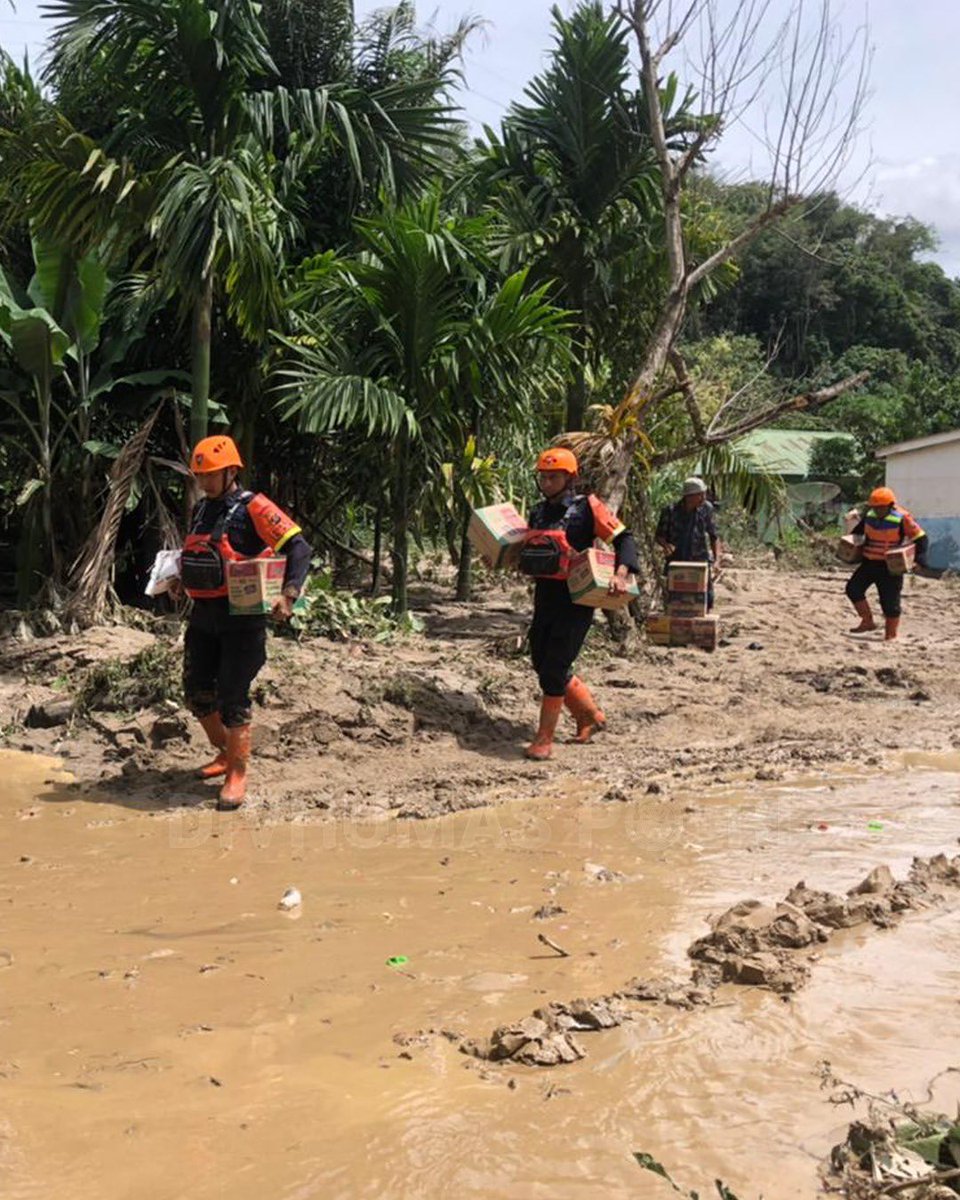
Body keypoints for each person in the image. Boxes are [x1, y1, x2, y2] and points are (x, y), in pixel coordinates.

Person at [175, 435, 311, 810]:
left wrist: (289, 594)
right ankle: (224, 752)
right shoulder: (201, 510)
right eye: (200, 476)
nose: (204, 483)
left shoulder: (255, 507)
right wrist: (176, 579)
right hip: (203, 618)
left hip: (242, 620)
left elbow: (299, 547)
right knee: (196, 692)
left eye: (211, 476)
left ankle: (237, 772)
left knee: (233, 696)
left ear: (231, 471)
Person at [521, 447, 640, 761]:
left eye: (554, 477)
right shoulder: (537, 512)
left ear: (569, 478)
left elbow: (624, 539)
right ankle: (589, 715)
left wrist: (621, 573)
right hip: (545, 598)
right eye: (543, 477)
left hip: (576, 600)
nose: (547, 483)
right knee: (541, 662)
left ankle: (544, 740)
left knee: (555, 666)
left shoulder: (588, 507)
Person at [846, 486, 927, 641]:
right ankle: (867, 621)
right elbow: (857, 534)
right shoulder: (869, 516)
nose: (877, 511)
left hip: (891, 567)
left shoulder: (903, 518)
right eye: (874, 508)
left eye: (880, 508)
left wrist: (919, 560)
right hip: (869, 562)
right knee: (853, 589)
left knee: (890, 602)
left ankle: (891, 635)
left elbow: (921, 538)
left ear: (890, 505)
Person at [655, 476, 721, 610]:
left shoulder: (706, 509)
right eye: (700, 495)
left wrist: (717, 560)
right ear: (689, 496)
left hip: (699, 562)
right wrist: (666, 545)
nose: (704, 498)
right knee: (676, 600)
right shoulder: (670, 511)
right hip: (676, 562)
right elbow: (659, 536)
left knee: (704, 598)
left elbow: (714, 536)